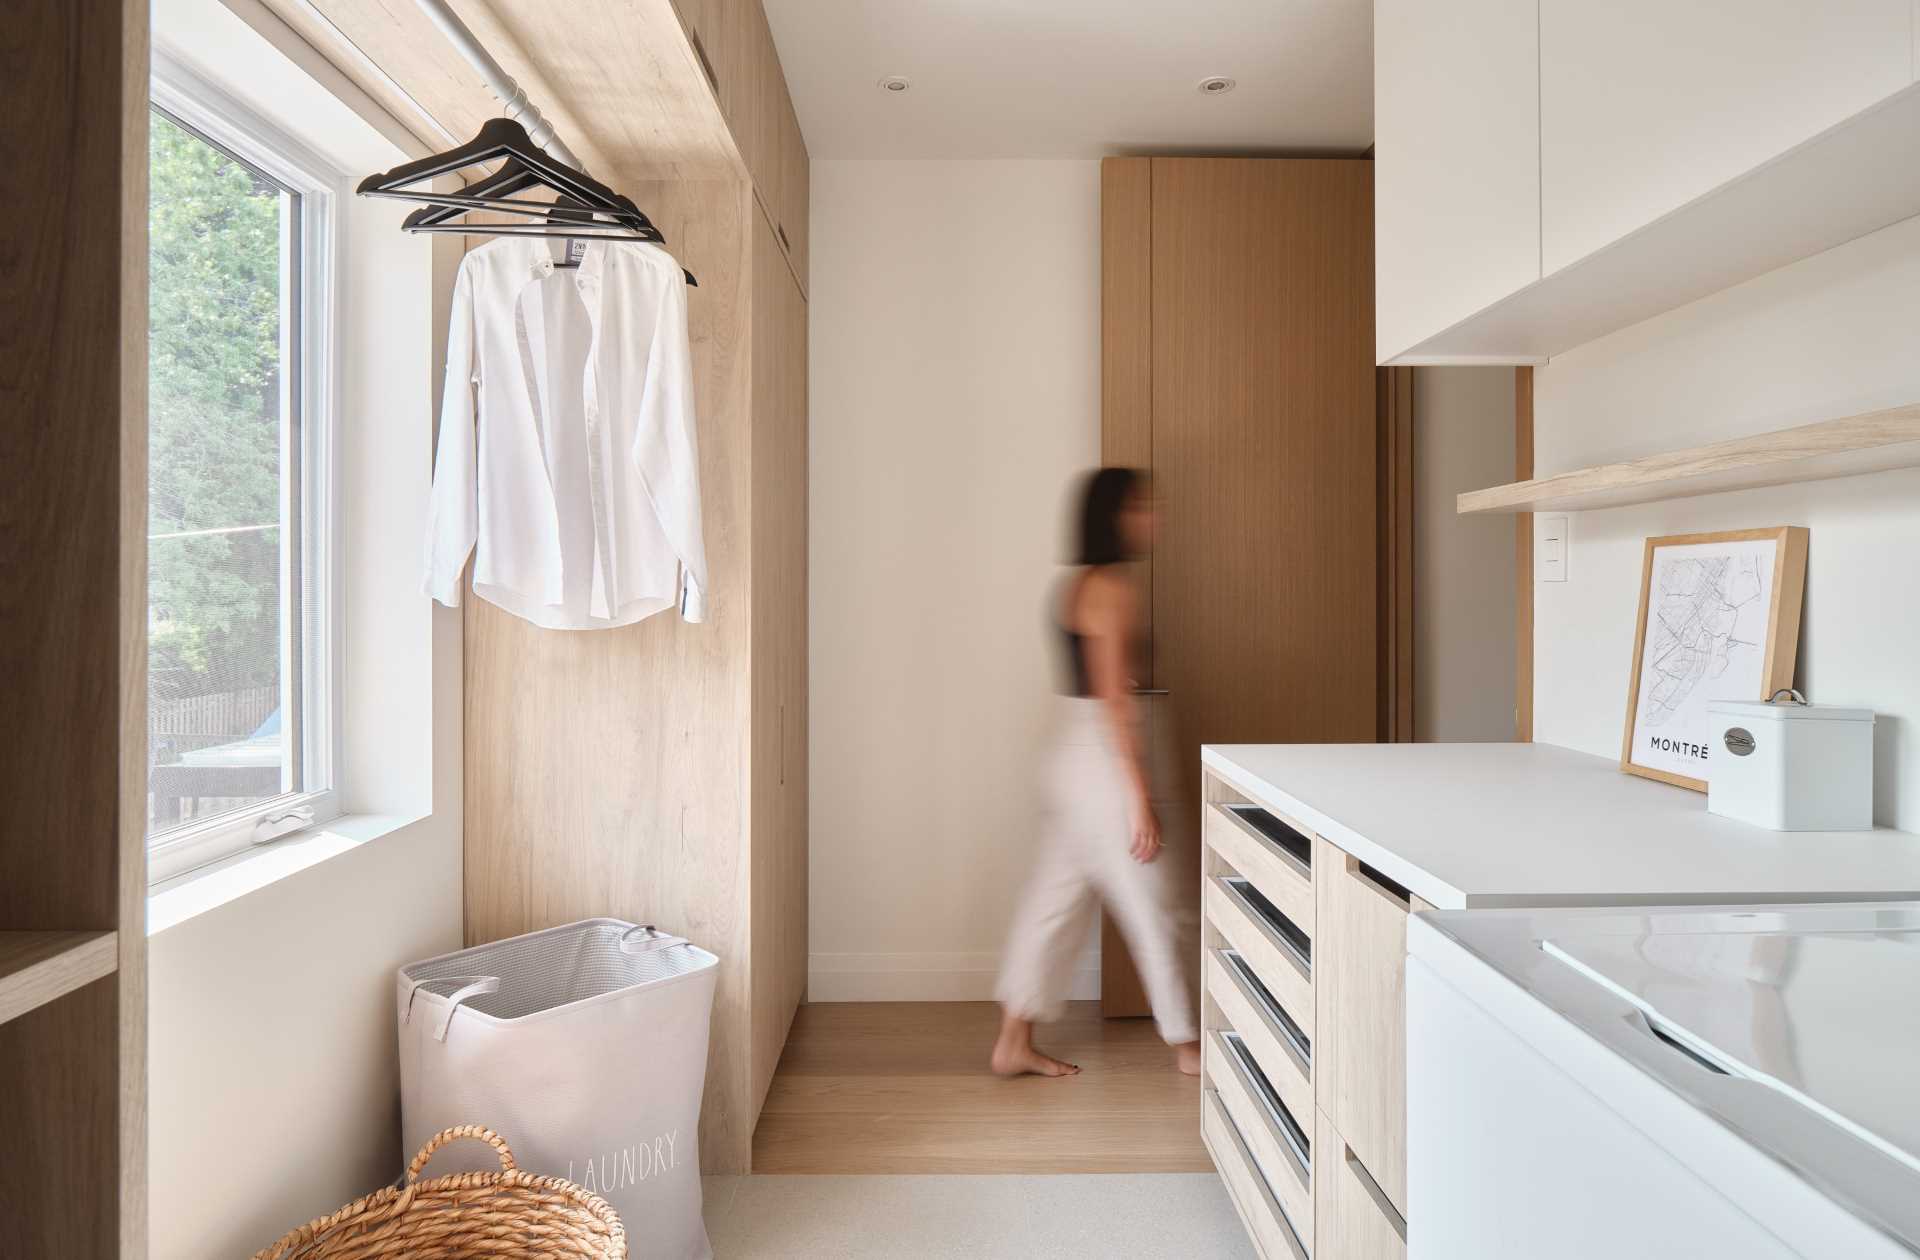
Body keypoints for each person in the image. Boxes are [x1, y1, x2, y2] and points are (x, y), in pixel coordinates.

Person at [991, 468, 1201, 1078]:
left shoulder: (1075, 586)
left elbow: (1095, 682)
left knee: (1051, 903)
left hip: (1070, 756)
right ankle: (1188, 1045)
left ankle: (1013, 1039)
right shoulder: (1112, 588)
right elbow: (1113, 697)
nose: (1153, 516)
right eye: (1142, 506)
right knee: (1155, 905)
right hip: (1106, 765)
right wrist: (1139, 798)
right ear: (1114, 516)